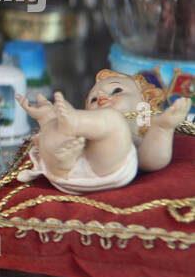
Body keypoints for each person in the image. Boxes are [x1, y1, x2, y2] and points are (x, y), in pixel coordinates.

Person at [16, 69, 191, 194]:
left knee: (112, 120)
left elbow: (151, 161)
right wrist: (46, 118)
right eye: (92, 99)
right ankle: (62, 161)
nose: (100, 98)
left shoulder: (134, 134)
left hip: (103, 169)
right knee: (55, 130)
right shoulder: (95, 126)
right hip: (66, 172)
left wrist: (162, 127)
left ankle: (65, 140)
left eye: (116, 90)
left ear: (143, 108)